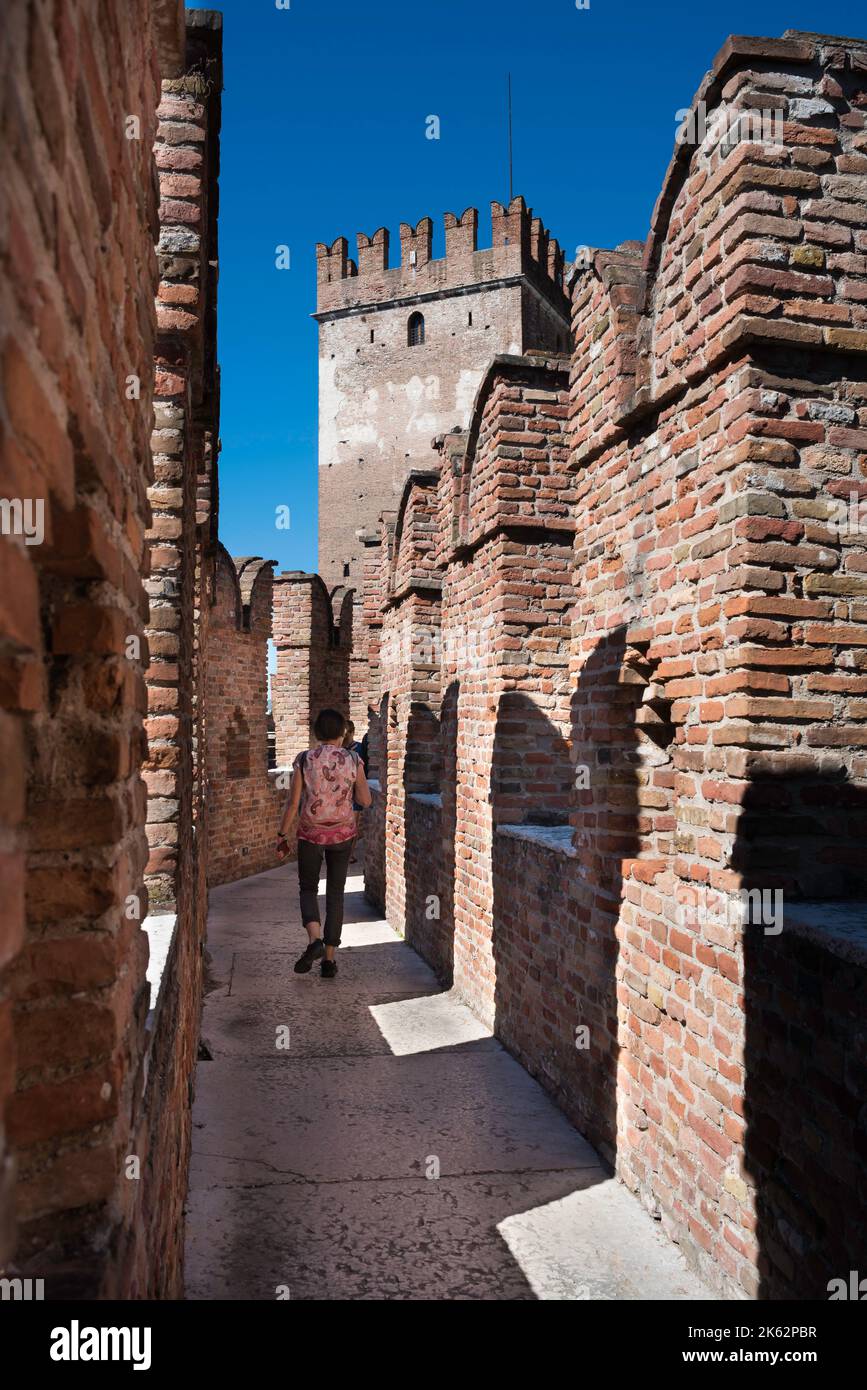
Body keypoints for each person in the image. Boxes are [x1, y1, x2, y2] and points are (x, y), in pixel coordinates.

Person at [276, 707, 372, 979]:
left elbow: (293, 803)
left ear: (316, 734)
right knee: (336, 893)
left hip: (310, 834)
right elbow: (365, 801)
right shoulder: (354, 759)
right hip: (343, 835)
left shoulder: (305, 759)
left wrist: (281, 835)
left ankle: (314, 940)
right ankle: (329, 960)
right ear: (343, 733)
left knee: (308, 888)